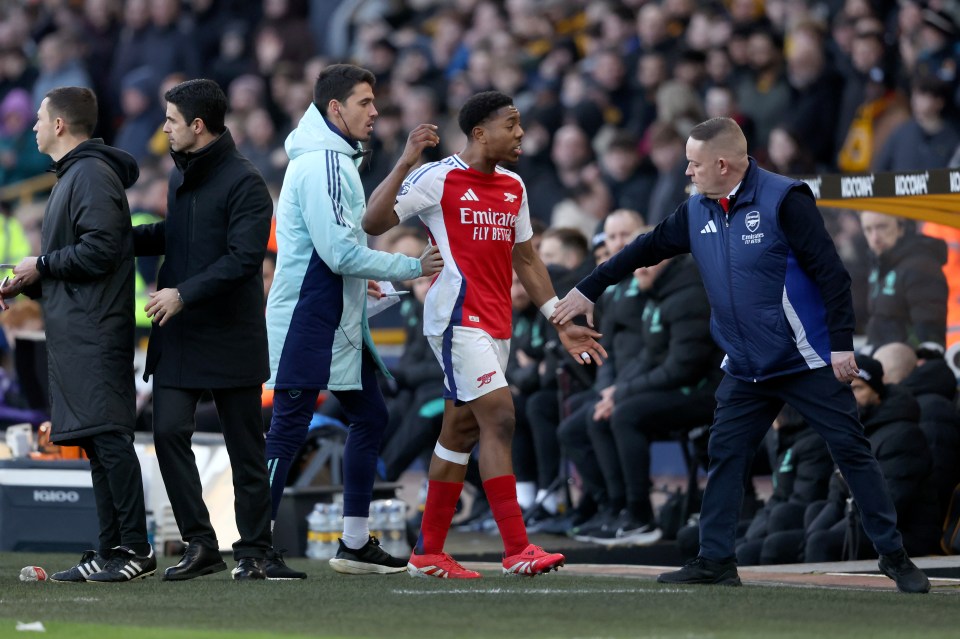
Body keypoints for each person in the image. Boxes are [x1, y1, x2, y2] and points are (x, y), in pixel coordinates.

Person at [552, 116, 931, 594]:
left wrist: (840, 344)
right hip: (745, 364)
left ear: (723, 164)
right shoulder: (697, 210)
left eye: (693, 164)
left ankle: (894, 557)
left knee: (852, 450)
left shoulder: (784, 199)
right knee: (726, 453)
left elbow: (832, 274)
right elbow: (643, 249)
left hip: (805, 359)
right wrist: (589, 288)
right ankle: (715, 559)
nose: (687, 173)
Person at [363, 90, 606, 579]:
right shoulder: (438, 177)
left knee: (461, 432)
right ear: (480, 133)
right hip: (454, 318)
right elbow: (373, 220)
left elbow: (528, 260)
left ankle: (427, 551)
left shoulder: (515, 185)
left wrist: (560, 321)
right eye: (511, 125)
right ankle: (517, 547)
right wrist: (406, 159)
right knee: (500, 415)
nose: (521, 134)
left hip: (497, 323)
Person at [264, 64, 444, 576]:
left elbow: (340, 250)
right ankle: (255, 547)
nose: (375, 111)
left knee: (371, 416)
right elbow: (341, 252)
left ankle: (355, 541)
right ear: (335, 109)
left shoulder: (334, 158)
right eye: (365, 102)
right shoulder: (323, 162)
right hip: (308, 316)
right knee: (288, 430)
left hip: (334, 315)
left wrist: (406, 159)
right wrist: (411, 267)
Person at [1, 86, 155, 582]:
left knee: (109, 439)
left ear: (61, 125)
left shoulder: (88, 173)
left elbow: (104, 250)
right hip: (78, 329)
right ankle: (110, 548)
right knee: (95, 443)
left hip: (96, 331)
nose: (33, 127)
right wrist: (29, 284)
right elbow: (79, 267)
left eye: (39, 119)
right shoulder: (75, 175)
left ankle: (135, 548)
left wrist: (40, 264)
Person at [132, 79, 273, 581]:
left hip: (229, 331)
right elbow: (177, 236)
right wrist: (116, 238)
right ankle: (200, 543)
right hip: (182, 330)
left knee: (245, 448)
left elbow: (243, 259)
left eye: (170, 119)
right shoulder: (179, 175)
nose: (163, 127)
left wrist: (182, 293)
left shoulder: (246, 182)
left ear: (197, 126)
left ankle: (255, 549)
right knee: (167, 431)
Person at [859, 211, 948, 351]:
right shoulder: (879, 264)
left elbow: (929, 334)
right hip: (879, 358)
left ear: (901, 226)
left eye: (882, 227)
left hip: (904, 364)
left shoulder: (920, 266)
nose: (874, 237)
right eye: (868, 229)